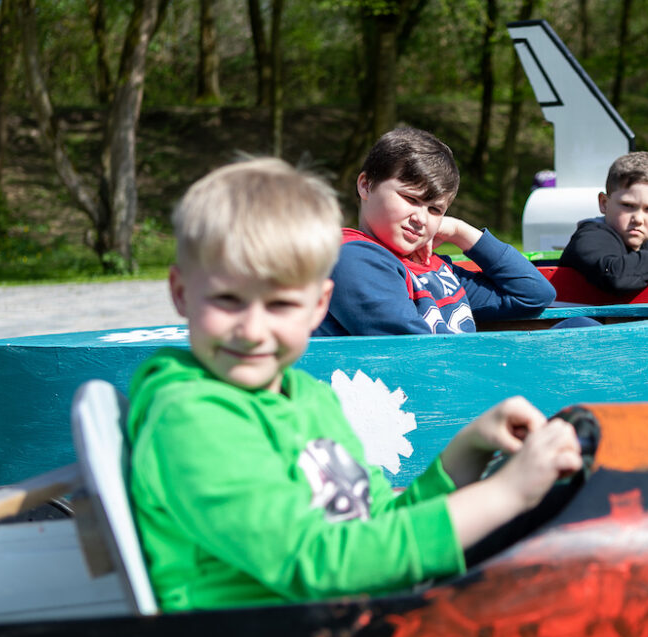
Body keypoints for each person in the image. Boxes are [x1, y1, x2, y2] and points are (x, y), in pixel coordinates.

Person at [128, 158, 582, 611]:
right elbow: (318, 564)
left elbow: (374, 521)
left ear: (317, 304)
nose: (253, 329)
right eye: (228, 300)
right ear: (182, 293)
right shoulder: (191, 416)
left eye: (282, 305)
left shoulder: (307, 397)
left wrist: (469, 450)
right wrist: (505, 494)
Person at [315, 126, 555, 336]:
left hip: (457, 377)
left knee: (578, 323)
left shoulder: (431, 267)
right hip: (429, 383)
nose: (420, 219)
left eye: (435, 209)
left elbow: (534, 294)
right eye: (410, 198)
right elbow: (415, 353)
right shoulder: (354, 259)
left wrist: (459, 231)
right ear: (366, 185)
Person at [558, 152, 648, 295]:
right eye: (628, 205)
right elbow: (615, 276)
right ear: (604, 203)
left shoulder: (644, 248)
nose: (638, 219)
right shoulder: (589, 237)